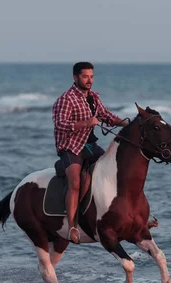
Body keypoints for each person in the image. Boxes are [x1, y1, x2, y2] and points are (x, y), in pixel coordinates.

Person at [52, 62, 128, 244]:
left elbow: (105, 115)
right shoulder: (66, 99)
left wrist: (125, 124)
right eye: (85, 76)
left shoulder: (93, 97)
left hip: (89, 145)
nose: (89, 80)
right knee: (75, 182)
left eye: (91, 76)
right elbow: (60, 124)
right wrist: (85, 123)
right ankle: (72, 227)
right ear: (75, 77)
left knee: (115, 171)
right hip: (71, 146)